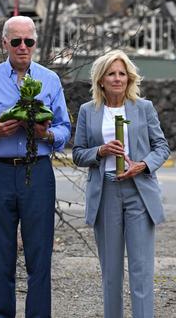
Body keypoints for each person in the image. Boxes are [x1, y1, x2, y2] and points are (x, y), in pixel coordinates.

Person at [0, 15, 71, 318]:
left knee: (39, 257)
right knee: (1, 256)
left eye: (29, 41)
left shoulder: (50, 80)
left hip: (37, 171)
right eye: (16, 41)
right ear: (4, 44)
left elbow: (65, 128)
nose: (23, 47)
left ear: (36, 43)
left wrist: (47, 133)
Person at [72, 50, 169, 318]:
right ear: (101, 80)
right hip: (105, 192)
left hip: (139, 191)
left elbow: (161, 147)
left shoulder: (143, 108)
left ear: (129, 79)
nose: (117, 79)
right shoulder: (88, 111)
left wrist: (143, 164)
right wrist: (100, 151)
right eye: (111, 74)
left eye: (122, 74)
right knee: (111, 272)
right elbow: (78, 153)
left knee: (141, 270)